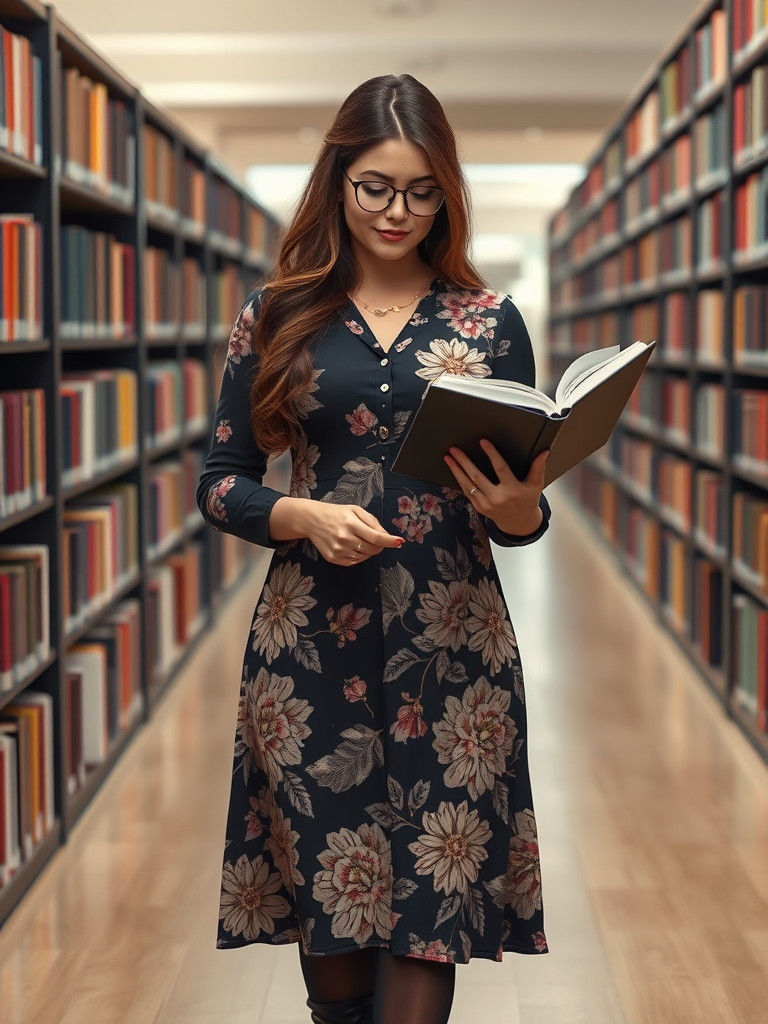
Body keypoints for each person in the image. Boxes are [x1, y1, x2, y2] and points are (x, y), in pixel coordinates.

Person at [195, 73, 552, 1024]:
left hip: (457, 657)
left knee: (426, 930)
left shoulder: (489, 324)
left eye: (422, 190)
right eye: (376, 188)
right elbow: (219, 482)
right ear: (338, 181)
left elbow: (521, 523)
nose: (398, 211)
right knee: (339, 962)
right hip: (311, 658)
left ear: (447, 193)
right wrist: (303, 515)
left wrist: (520, 505)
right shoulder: (276, 314)